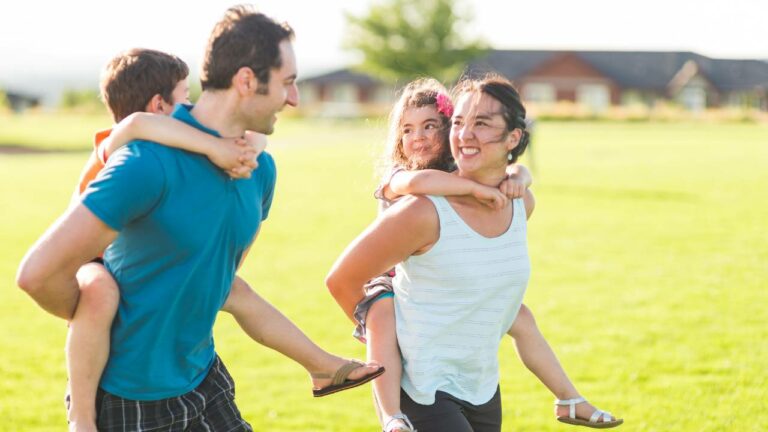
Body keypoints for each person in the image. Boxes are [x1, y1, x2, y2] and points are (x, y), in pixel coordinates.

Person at [17, 6, 381, 431]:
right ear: (246, 81)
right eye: (287, 83)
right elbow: (37, 275)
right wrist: (92, 311)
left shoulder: (259, 169)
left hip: (206, 378)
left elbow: (219, 278)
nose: (295, 98)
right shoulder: (144, 163)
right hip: (134, 401)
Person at [327, 75, 623, 431]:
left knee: (521, 316)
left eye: (479, 123)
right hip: (421, 380)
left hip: (479, 384)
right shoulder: (415, 199)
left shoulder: (517, 201)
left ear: (513, 138)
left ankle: (567, 398)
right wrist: (382, 333)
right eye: (459, 123)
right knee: (382, 314)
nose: (464, 134)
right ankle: (392, 416)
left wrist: (519, 175)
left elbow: (514, 174)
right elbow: (342, 279)